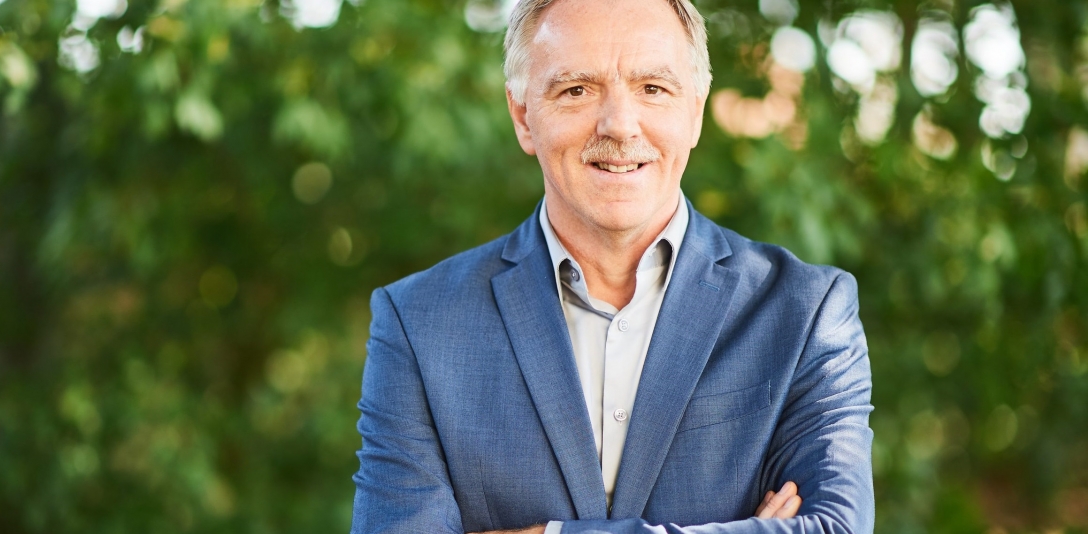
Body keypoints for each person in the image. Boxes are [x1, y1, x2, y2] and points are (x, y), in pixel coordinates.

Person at [351, 0, 874, 531]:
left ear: (695, 112)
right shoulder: (419, 322)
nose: (620, 126)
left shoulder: (807, 312)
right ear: (523, 116)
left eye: (653, 88)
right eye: (577, 90)